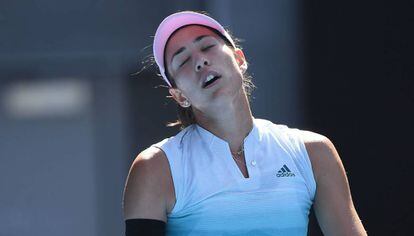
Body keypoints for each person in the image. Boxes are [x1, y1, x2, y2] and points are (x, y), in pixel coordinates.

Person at [123, 11, 367, 236]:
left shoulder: (314, 152)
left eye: (207, 46)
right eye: (183, 60)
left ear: (240, 59)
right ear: (180, 96)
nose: (200, 61)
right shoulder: (154, 168)